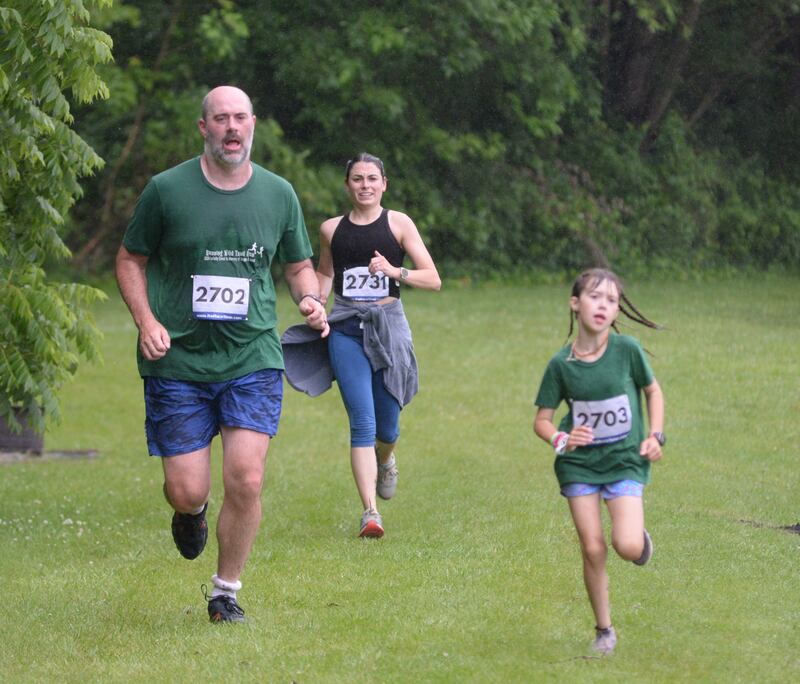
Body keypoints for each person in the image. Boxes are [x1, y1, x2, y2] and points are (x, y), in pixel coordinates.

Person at [115, 85, 328, 623]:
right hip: (179, 360)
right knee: (186, 489)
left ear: (253, 123)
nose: (232, 128)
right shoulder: (167, 190)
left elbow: (298, 263)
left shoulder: (279, 194)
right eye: (221, 119)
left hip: (251, 355)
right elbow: (130, 259)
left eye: (240, 118)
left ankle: (225, 591)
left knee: (247, 477)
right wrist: (147, 321)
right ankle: (192, 513)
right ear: (203, 128)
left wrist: (307, 296)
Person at [290, 152, 441, 538]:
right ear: (347, 185)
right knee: (362, 420)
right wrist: (314, 304)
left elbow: (433, 278)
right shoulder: (331, 230)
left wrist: (395, 271)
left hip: (388, 328)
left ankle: (387, 460)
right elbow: (325, 275)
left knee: (387, 427)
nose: (365, 185)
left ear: (384, 184)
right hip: (345, 329)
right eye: (357, 179)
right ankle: (370, 513)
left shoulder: (398, 223)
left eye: (372, 178)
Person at [532, 268, 665, 655]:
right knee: (592, 548)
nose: (604, 305)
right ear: (576, 304)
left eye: (611, 300)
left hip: (624, 460)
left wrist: (656, 435)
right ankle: (604, 630)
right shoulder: (561, 365)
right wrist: (561, 437)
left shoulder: (628, 351)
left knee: (624, 545)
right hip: (579, 466)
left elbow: (653, 392)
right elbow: (541, 421)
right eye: (595, 297)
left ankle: (638, 540)